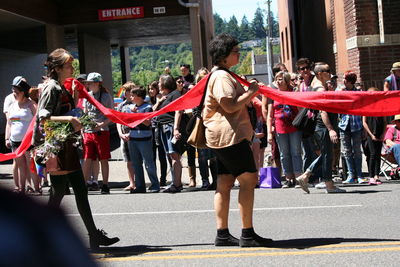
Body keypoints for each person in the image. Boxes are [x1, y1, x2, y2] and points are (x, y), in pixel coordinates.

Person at [32, 48, 119, 249]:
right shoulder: (51, 88)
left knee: (77, 190)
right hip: (57, 146)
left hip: (66, 145)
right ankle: (40, 236)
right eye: (69, 65)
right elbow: (42, 118)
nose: (72, 67)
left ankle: (93, 235)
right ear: (58, 68)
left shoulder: (61, 87)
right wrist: (70, 118)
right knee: (59, 192)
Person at [203, 33, 272, 247]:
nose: (238, 54)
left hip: (221, 136)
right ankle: (247, 233)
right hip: (230, 136)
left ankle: (222, 234)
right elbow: (230, 106)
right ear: (223, 56)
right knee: (249, 180)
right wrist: (251, 92)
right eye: (235, 51)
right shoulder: (222, 77)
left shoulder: (221, 74)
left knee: (224, 183)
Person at [296, 63, 346, 194]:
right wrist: (331, 129)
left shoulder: (319, 86)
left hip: (321, 127)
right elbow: (323, 111)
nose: (330, 73)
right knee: (327, 155)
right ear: (319, 74)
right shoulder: (320, 89)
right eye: (327, 71)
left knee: (326, 154)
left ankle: (306, 176)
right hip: (323, 127)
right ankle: (329, 185)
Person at [153, 74, 185, 193]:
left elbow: (178, 111)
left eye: (160, 82)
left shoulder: (175, 94)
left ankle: (176, 184)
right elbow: (154, 110)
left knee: (174, 155)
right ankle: (175, 182)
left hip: (170, 127)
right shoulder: (165, 97)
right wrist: (159, 100)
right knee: (170, 156)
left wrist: (176, 129)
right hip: (163, 127)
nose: (158, 84)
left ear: (165, 83)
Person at [82, 72, 114, 194]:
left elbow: (111, 116)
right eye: (88, 83)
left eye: (90, 83)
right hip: (88, 131)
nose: (88, 85)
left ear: (97, 83)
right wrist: (83, 125)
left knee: (103, 159)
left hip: (101, 132)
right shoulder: (87, 96)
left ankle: (105, 185)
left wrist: (101, 125)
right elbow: (85, 113)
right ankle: (84, 184)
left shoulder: (106, 96)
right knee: (87, 158)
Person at [5, 76, 37, 194]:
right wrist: (7, 138)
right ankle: (22, 189)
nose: (14, 94)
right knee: (20, 166)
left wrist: (35, 137)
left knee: (30, 165)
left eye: (16, 92)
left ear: (23, 92)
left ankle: (37, 188)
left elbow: (37, 121)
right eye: (13, 91)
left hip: (28, 141)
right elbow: (9, 123)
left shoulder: (31, 104)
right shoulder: (12, 105)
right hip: (15, 140)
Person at [128, 86, 160, 193]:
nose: (131, 97)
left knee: (148, 163)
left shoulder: (147, 107)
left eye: (133, 95)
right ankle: (140, 186)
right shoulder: (131, 107)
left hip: (145, 139)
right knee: (136, 164)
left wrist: (136, 114)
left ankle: (155, 185)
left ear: (140, 97)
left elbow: (147, 123)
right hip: (132, 138)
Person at [337, 71, 367, 184]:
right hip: (344, 125)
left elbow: (363, 109)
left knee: (357, 151)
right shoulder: (340, 92)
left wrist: (364, 127)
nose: (343, 81)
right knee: (346, 151)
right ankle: (350, 174)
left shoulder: (358, 93)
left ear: (349, 81)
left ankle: (359, 175)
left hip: (356, 125)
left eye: (344, 79)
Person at [362, 87, 386, 185]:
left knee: (378, 154)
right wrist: (371, 134)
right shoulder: (366, 106)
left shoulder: (381, 107)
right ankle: (371, 176)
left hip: (379, 133)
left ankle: (377, 175)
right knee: (372, 154)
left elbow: (384, 122)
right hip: (370, 134)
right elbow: (364, 122)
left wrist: (383, 134)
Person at [148, 81, 169, 186]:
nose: (150, 91)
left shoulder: (161, 97)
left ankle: (163, 178)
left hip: (159, 128)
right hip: (151, 129)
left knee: (162, 155)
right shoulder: (150, 100)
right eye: (149, 89)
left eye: (152, 89)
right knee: (152, 156)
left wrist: (159, 101)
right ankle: (154, 179)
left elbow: (153, 110)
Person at [116, 82, 136, 191]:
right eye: (125, 91)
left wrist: (131, 133)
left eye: (128, 91)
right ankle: (131, 183)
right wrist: (120, 133)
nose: (125, 93)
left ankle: (139, 181)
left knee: (137, 160)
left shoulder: (137, 105)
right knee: (128, 161)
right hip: (124, 136)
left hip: (134, 135)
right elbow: (118, 121)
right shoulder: (121, 105)